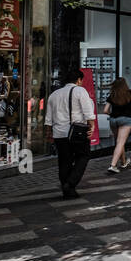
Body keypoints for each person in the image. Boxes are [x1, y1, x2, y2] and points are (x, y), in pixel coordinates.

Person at [45, 66, 96, 199]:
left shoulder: (54, 94)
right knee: (83, 156)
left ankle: (67, 189)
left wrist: (49, 133)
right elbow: (88, 112)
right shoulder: (80, 91)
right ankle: (71, 183)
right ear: (79, 80)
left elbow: (48, 118)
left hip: (59, 133)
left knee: (64, 161)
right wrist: (92, 127)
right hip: (77, 132)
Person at [104, 77, 131, 173]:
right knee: (121, 142)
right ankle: (112, 165)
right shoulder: (130, 94)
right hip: (126, 120)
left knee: (119, 142)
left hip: (113, 120)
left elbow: (105, 110)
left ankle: (124, 162)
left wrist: (111, 115)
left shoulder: (112, 95)